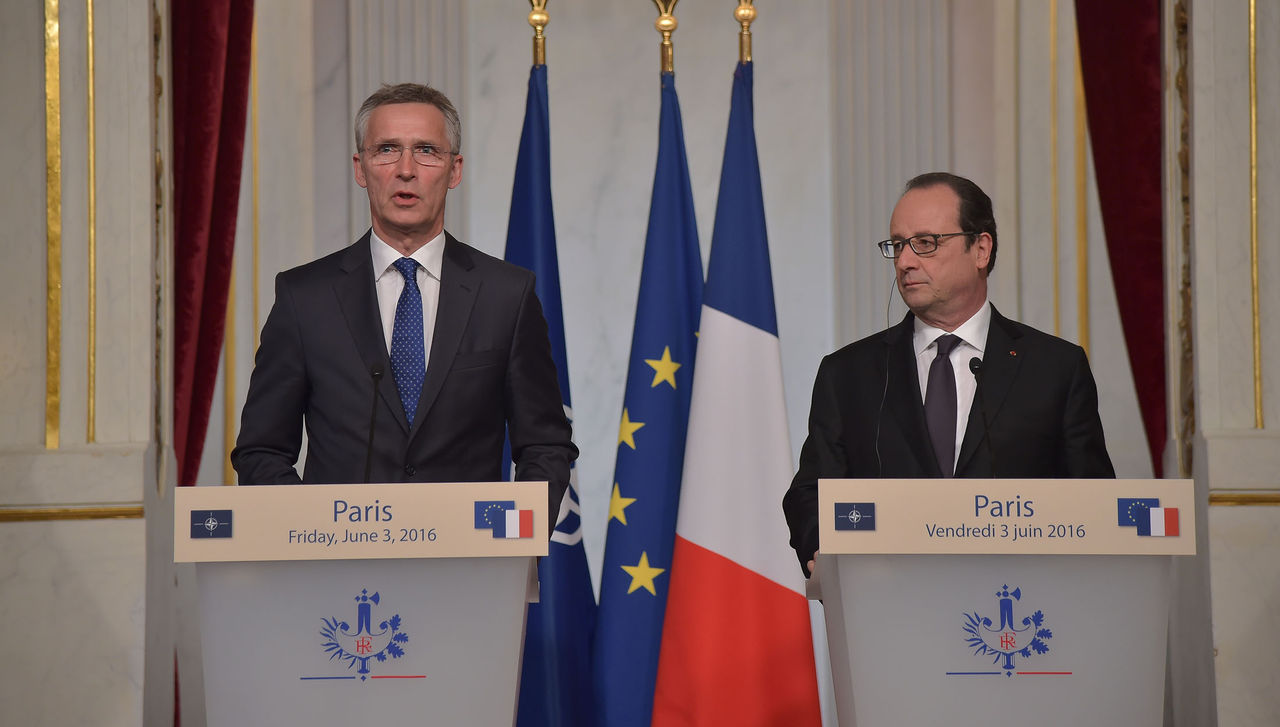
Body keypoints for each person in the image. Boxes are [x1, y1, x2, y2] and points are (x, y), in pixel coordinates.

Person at [231, 83, 575, 527]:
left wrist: (507, 538)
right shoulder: (304, 298)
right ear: (361, 167)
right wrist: (312, 531)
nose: (406, 170)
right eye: (387, 150)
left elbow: (546, 446)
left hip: (467, 572)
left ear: (454, 170)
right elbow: (262, 451)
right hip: (339, 576)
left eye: (427, 151)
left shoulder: (506, 295)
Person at [782, 172, 1114, 575]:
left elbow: (1093, 503)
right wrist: (826, 552)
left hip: (1017, 609)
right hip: (889, 609)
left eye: (925, 243)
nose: (905, 261)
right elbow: (810, 493)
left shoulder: (1055, 368)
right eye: (898, 245)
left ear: (981, 249)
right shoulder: (848, 374)